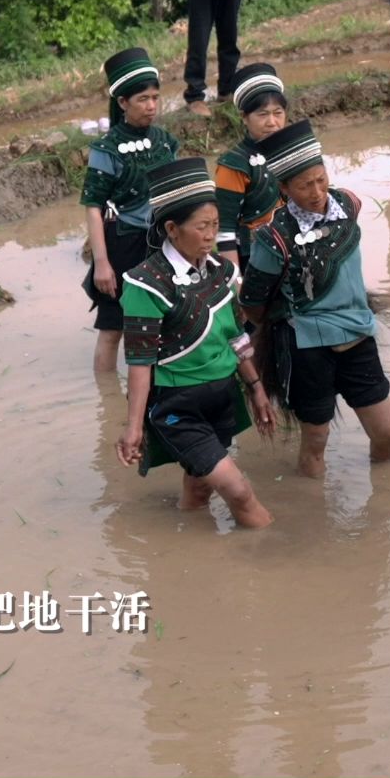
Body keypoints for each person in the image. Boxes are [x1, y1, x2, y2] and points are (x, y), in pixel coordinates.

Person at [115, 158, 275, 528]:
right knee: (239, 492)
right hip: (177, 408)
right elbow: (139, 363)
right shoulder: (145, 284)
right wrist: (133, 426)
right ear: (172, 228)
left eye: (216, 226)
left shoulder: (222, 270)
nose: (211, 235)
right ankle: (277, 562)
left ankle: (187, 551)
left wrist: (255, 387)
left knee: (201, 489)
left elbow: (236, 335)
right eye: (202, 227)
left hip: (221, 399)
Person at [239, 121, 390, 479]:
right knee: (315, 439)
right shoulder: (274, 238)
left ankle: (386, 505)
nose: (316, 192)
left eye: (320, 180)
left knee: (387, 434)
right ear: (283, 189)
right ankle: (314, 518)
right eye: (303, 185)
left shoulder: (348, 204)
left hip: (358, 336)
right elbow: (252, 303)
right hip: (307, 349)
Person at [80, 48, 180, 372]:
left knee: (168, 320)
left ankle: (159, 387)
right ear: (123, 103)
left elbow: (179, 194)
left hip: (164, 244)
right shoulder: (105, 150)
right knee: (113, 329)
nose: (151, 105)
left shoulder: (165, 141)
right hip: (123, 245)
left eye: (155, 97)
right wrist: (102, 264)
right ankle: (107, 402)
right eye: (142, 99)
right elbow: (93, 208)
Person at [213, 63, 288, 268]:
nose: (272, 122)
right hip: (254, 257)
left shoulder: (289, 151)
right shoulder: (234, 165)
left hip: (290, 246)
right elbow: (225, 228)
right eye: (262, 115)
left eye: (278, 112)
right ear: (244, 118)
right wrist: (236, 278)